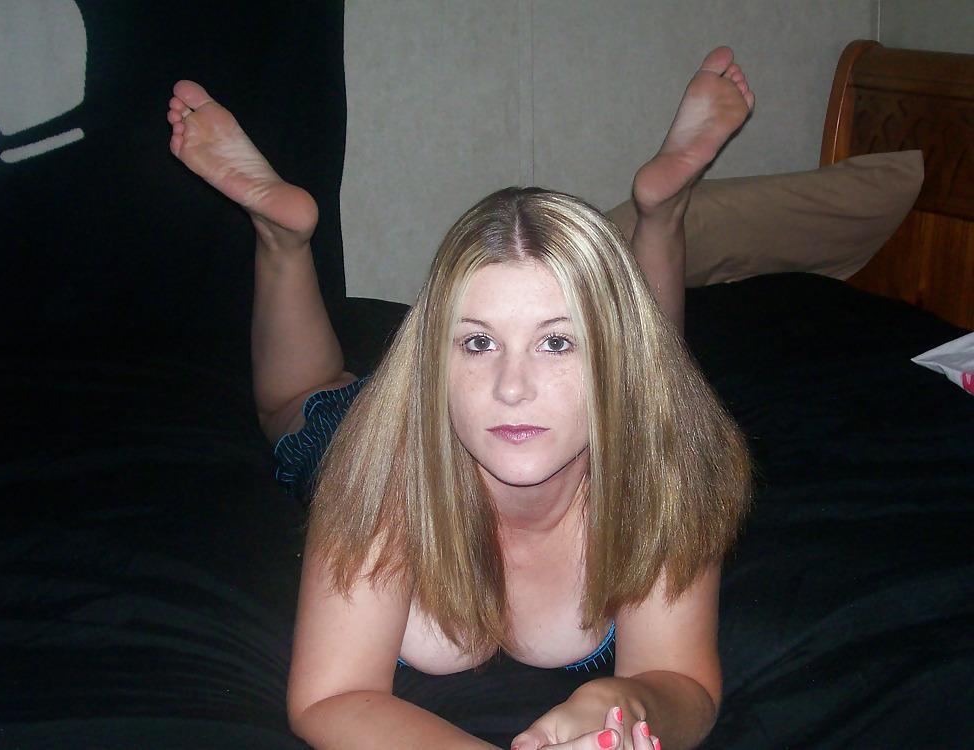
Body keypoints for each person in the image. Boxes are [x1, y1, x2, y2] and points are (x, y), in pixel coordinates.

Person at [167, 46, 754, 750]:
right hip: (403, 441)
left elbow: (682, 684)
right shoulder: (380, 480)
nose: (511, 387)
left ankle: (662, 216)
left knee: (647, 378)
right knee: (301, 403)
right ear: (433, 361)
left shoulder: (665, 473)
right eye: (477, 342)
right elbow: (331, 695)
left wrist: (624, 703)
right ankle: (283, 238)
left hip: (624, 399)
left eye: (556, 343)